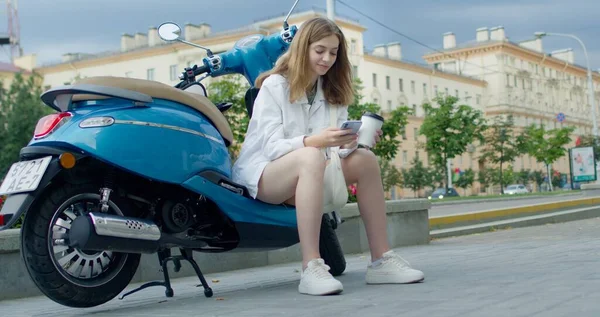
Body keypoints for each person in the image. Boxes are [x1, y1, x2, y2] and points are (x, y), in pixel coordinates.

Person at [231, 16, 424, 296]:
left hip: (312, 173)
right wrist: (315, 141)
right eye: (320, 50)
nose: (326, 59)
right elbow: (271, 147)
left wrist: (352, 142)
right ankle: (312, 267)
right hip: (266, 177)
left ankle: (381, 260)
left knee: (365, 161)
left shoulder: (332, 92)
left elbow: (334, 153)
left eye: (333, 53)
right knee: (310, 155)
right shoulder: (274, 86)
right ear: (303, 48)